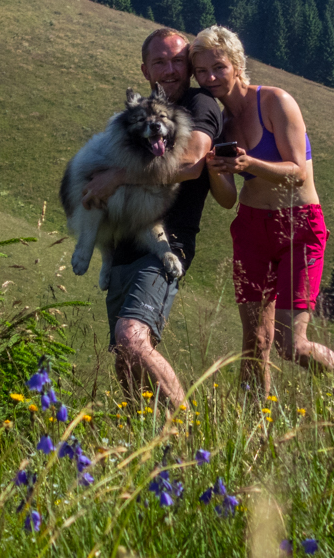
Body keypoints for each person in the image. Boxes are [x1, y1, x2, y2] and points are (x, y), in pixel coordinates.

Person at [190, 25, 334, 395]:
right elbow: (228, 199)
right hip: (250, 229)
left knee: (290, 344)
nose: (210, 77)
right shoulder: (220, 123)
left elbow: (297, 173)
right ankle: (255, 429)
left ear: (236, 63)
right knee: (255, 344)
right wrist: (216, 170)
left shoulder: (275, 102)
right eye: (201, 71)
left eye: (218, 66)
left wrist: (248, 165)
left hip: (299, 226)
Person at [80, 28, 222, 410]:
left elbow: (191, 164)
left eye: (178, 60)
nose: (171, 69)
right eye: (160, 62)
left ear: (189, 66)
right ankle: (148, 444)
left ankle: (190, 431)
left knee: (131, 338)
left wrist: (118, 177)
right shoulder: (139, 114)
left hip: (165, 245)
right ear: (145, 70)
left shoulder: (199, 105)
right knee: (127, 363)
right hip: (122, 247)